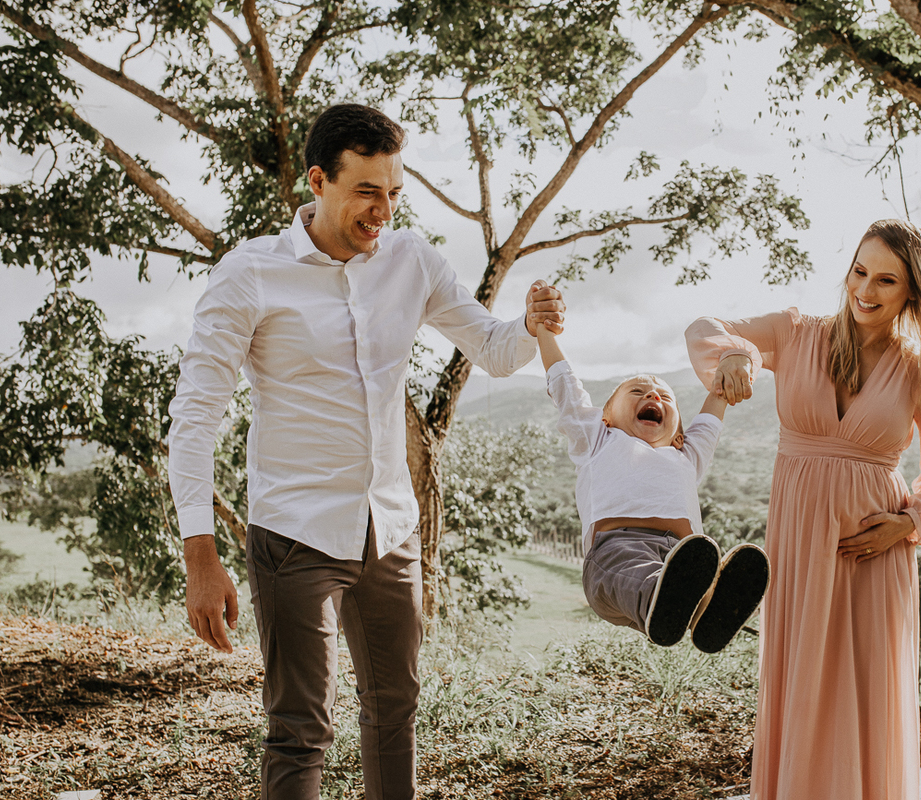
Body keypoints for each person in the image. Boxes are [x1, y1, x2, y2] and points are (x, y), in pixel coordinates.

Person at [167, 103, 565, 800]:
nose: (383, 211)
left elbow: (497, 351)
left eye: (393, 193)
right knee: (300, 727)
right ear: (318, 182)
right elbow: (196, 414)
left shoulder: (412, 261)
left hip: (391, 531)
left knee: (394, 710)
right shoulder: (250, 274)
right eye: (366, 192)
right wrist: (200, 552)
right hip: (295, 531)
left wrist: (530, 326)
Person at [686, 218, 921, 800]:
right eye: (859, 271)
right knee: (804, 682)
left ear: (912, 291)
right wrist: (737, 354)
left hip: (876, 551)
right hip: (801, 542)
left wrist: (909, 522)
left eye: (887, 280)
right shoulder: (794, 333)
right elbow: (704, 327)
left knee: (865, 688)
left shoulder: (917, 368)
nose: (866, 289)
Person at [536, 322, 769, 653]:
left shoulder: (686, 454)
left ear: (678, 434)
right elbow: (565, 384)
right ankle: (670, 601)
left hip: (680, 556)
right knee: (644, 573)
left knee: (696, 571)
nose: (652, 395)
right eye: (637, 392)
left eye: (665, 397)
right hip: (616, 552)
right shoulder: (597, 438)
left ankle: (707, 612)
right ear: (606, 417)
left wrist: (726, 379)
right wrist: (544, 332)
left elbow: (716, 404)